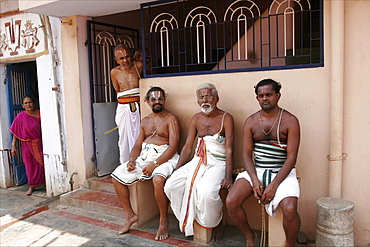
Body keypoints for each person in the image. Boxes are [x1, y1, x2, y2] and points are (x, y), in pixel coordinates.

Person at [226, 78, 301, 247]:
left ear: (278, 96)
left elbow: (291, 158)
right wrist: (254, 180)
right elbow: (246, 155)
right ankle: (250, 236)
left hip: (282, 171)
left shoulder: (290, 121)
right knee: (231, 201)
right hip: (257, 170)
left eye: (269, 94)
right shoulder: (251, 121)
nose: (265, 98)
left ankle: (290, 244)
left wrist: (274, 184)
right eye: (261, 95)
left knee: (290, 210)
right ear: (257, 98)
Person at [164, 83, 234, 241]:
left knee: (207, 194)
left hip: (217, 163)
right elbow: (188, 148)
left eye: (208, 96)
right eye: (201, 97)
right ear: (197, 101)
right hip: (197, 161)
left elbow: (229, 149)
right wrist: (176, 170)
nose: (205, 100)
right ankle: (189, 216)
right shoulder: (196, 118)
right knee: (171, 185)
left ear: (216, 98)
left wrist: (228, 177)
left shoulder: (226, 118)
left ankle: (216, 222)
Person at [111, 87, 180, 241]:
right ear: (147, 102)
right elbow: (137, 145)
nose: (157, 102)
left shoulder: (171, 119)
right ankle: (130, 215)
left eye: (160, 98)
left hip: (165, 156)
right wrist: (131, 160)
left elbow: (174, 146)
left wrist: (155, 163)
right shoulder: (145, 121)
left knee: (158, 179)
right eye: (153, 99)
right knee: (116, 175)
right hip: (145, 156)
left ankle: (163, 220)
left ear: (164, 100)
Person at [110, 44, 143, 166]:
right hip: (124, 108)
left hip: (139, 107)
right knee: (124, 138)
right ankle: (125, 164)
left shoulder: (138, 66)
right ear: (116, 60)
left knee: (141, 135)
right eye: (122, 58)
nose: (125, 60)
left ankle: (139, 163)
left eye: (127, 57)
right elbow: (118, 91)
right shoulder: (114, 72)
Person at [9, 96, 46, 196]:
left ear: (33, 104)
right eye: (26, 103)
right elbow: (15, 132)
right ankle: (32, 186)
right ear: (23, 106)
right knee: (29, 166)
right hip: (26, 145)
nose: (28, 104)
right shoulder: (20, 117)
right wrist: (13, 146)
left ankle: (45, 183)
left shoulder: (40, 114)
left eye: (30, 102)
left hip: (39, 143)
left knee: (42, 163)